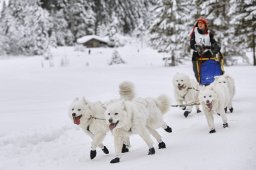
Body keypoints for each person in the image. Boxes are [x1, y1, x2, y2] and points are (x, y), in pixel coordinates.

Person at [190, 16, 221, 84]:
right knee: (198, 75)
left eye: (202, 23)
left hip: (207, 55)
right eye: (199, 23)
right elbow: (192, 45)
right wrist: (197, 48)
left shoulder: (209, 33)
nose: (200, 24)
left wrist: (216, 47)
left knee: (209, 73)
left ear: (205, 24)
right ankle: (201, 86)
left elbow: (213, 42)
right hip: (197, 56)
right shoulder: (194, 33)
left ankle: (211, 85)